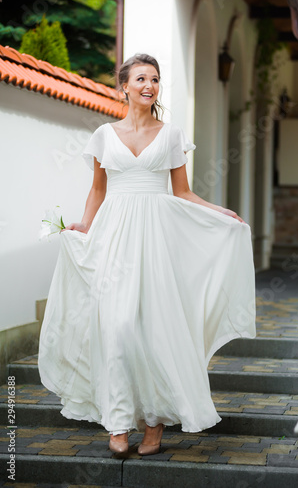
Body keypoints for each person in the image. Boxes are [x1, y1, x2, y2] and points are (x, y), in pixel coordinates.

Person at [38, 53, 256, 457]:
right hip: (114, 237)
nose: (149, 86)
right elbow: (99, 190)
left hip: (157, 240)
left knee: (154, 330)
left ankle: (153, 423)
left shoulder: (171, 134)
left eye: (154, 79)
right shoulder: (103, 134)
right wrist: (84, 225)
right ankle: (119, 421)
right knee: (117, 327)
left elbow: (183, 192)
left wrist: (220, 212)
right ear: (124, 86)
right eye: (140, 78)